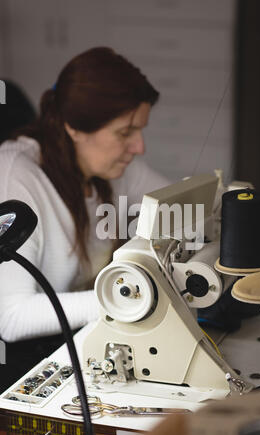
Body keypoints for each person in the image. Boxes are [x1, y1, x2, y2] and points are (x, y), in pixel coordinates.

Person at [0, 47, 169, 391]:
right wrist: (125, 296)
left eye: (140, 130)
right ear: (75, 127)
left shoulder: (110, 166)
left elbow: (178, 204)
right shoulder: (16, 178)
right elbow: (11, 317)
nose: (139, 147)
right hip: (24, 364)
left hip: (80, 338)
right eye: (125, 133)